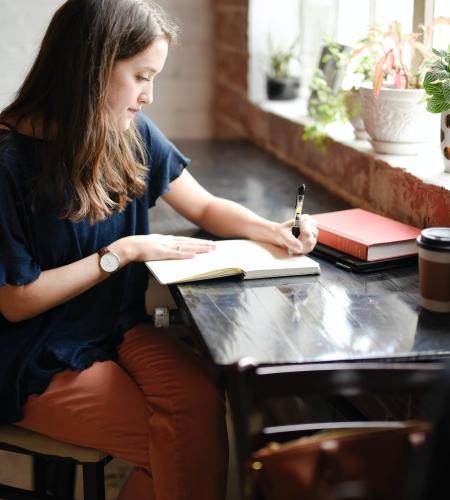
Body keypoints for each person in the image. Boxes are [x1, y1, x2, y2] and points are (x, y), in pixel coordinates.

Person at [0, 0, 318, 498]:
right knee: (179, 444)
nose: (149, 96)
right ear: (92, 67)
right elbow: (15, 302)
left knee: (201, 402)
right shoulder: (8, 163)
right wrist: (122, 252)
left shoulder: (129, 133)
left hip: (113, 327)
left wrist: (270, 229)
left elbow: (206, 206)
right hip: (32, 351)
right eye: (141, 76)